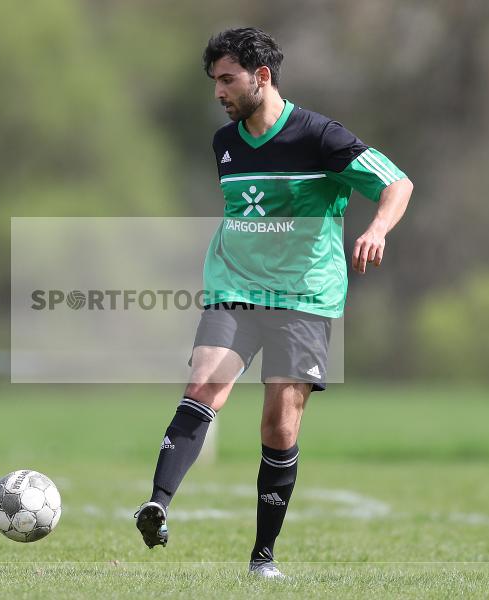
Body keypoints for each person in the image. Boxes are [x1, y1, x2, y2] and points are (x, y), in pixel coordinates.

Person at [135, 27, 413, 579]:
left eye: (227, 79)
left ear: (261, 77)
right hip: (234, 287)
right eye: (215, 81)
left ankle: (263, 558)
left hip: (304, 296)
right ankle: (157, 504)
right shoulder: (226, 143)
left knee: (279, 427)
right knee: (204, 385)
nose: (219, 92)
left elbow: (397, 183)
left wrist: (377, 228)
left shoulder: (321, 137)